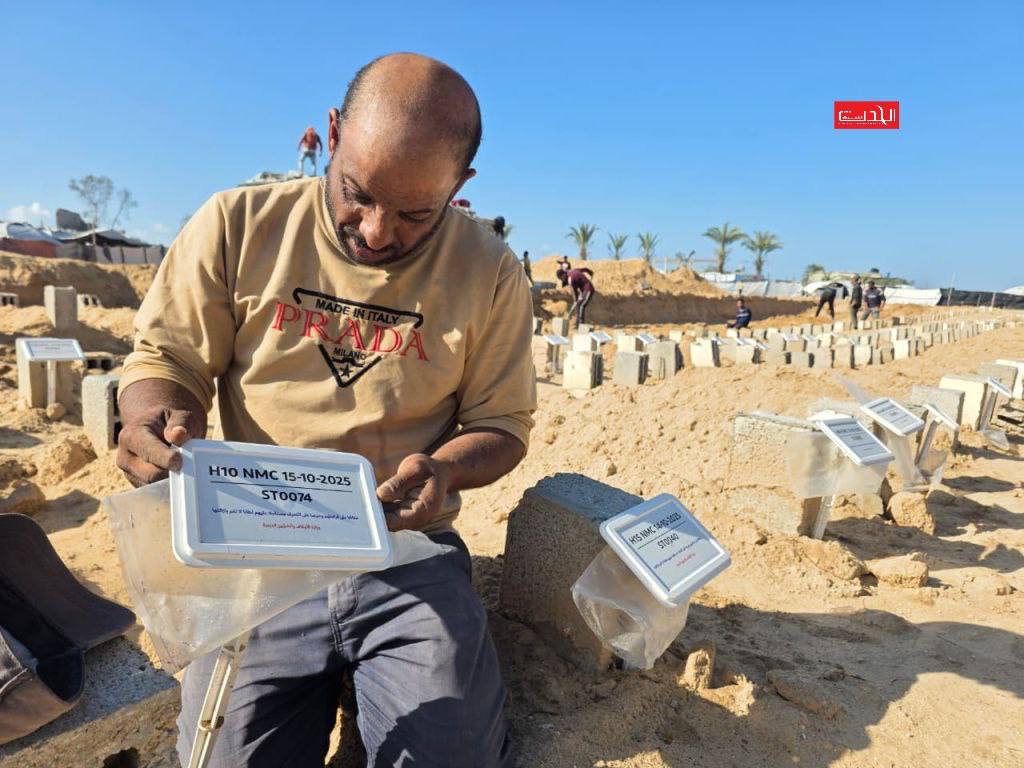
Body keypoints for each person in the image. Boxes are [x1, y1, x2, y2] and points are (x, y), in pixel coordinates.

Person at [117, 53, 535, 768]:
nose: (374, 232)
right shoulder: (238, 224)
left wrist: (442, 470)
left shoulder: (490, 270)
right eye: (356, 193)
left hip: (406, 553)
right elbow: (167, 359)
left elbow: (503, 426)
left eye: (416, 214)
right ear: (332, 134)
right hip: (257, 549)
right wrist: (157, 415)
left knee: (450, 754)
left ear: (460, 186)